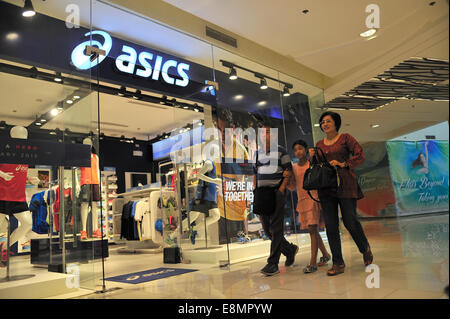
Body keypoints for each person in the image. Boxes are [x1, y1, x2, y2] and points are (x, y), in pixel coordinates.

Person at [312, 111, 373, 276]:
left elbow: (360, 155)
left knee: (350, 221)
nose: (324, 124)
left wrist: (344, 163)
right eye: (322, 122)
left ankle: (365, 248)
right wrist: (313, 158)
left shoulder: (346, 138)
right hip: (326, 188)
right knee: (331, 226)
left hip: (345, 185)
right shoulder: (319, 143)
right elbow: (317, 167)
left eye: (328, 121)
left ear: (335, 123)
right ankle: (338, 263)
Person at [254, 124, 298, 276]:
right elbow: (255, 172)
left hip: (276, 192)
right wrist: (255, 190)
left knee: (276, 228)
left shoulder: (281, 150)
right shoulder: (257, 153)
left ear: (273, 135)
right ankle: (290, 249)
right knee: (267, 230)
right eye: (262, 132)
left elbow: (288, 170)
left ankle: (272, 263)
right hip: (261, 194)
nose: (265, 135)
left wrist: (281, 189)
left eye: (268, 132)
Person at [287, 139, 331, 273]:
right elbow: (293, 186)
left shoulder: (312, 163)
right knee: (313, 230)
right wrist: (287, 178)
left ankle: (313, 263)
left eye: (300, 148)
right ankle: (325, 255)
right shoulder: (293, 167)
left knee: (312, 229)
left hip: (315, 199)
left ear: (306, 149)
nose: (298, 151)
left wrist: (313, 159)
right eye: (295, 150)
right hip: (302, 201)